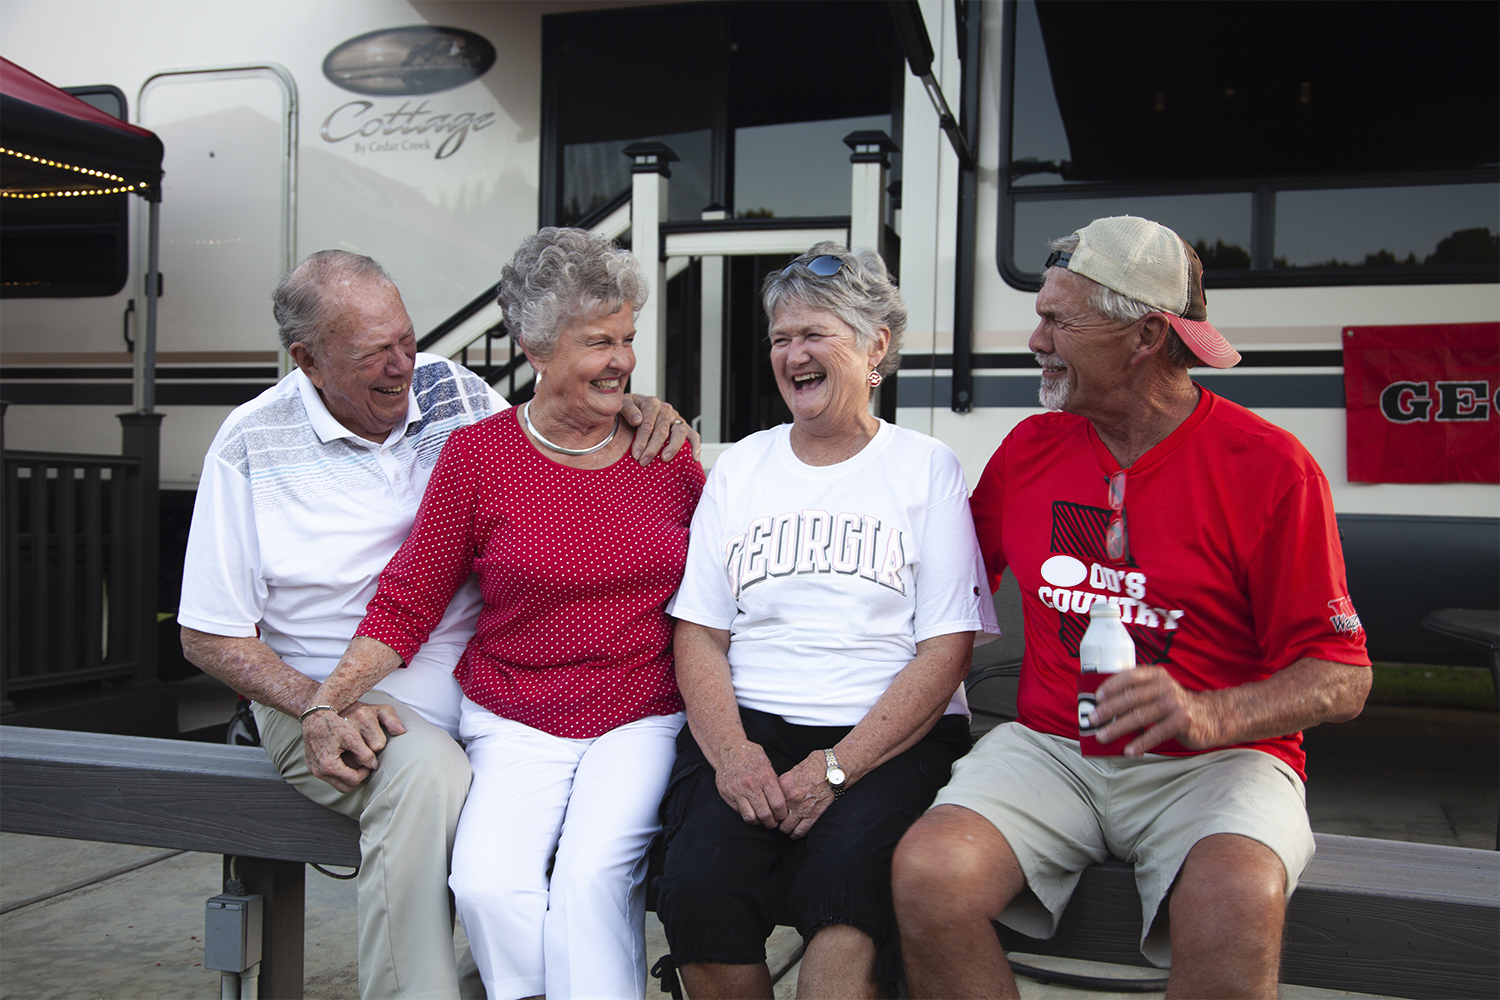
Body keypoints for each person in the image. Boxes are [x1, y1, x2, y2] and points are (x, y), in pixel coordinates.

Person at [178, 248, 693, 1000]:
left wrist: (635, 403)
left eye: (408, 341)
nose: (403, 367)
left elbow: (555, 439)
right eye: (373, 354)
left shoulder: (453, 392)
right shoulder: (251, 443)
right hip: (334, 693)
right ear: (308, 360)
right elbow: (208, 634)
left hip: (500, 697)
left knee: (571, 866)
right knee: (433, 780)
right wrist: (320, 703)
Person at [892, 216, 1373, 999]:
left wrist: (1208, 714)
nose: (1035, 340)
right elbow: (931, 580)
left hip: (1215, 763)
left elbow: (1341, 678)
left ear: (1145, 335)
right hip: (1052, 748)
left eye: (1057, 318)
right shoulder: (1030, 449)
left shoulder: (1271, 468)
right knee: (928, 874)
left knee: (1234, 899)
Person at [317, 228, 705, 1000]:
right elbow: (409, 598)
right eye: (599, 342)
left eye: (628, 338)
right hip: (515, 712)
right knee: (490, 885)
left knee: (594, 876)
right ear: (535, 347)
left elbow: (727, 589)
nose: (623, 361)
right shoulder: (478, 457)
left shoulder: (665, 452)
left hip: (640, 710)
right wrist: (331, 696)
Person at [654, 243, 999, 999]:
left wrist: (838, 767)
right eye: (781, 338)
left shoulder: (924, 468)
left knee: (846, 899)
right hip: (750, 731)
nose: (793, 354)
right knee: (699, 887)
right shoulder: (742, 465)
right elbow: (701, 632)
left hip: (883, 740)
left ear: (876, 346)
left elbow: (946, 649)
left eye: (815, 334)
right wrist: (734, 754)